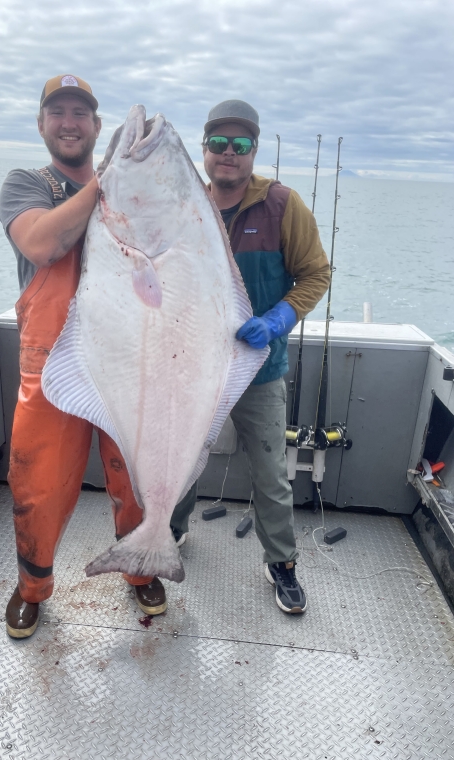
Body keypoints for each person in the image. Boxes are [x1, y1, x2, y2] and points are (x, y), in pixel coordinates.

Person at [0, 75, 168, 638]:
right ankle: (32, 589)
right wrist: (108, 184)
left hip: (124, 357)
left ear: (97, 127)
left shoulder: (126, 189)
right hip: (50, 364)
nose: (69, 122)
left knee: (134, 477)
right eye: (58, 112)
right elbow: (44, 244)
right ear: (42, 123)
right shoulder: (27, 184)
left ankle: (142, 565)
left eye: (81, 113)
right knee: (38, 483)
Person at [176, 99, 331, 614]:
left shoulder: (283, 205)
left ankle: (281, 563)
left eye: (239, 145)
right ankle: (167, 534)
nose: (227, 154)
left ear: (254, 152)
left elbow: (316, 274)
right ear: (204, 149)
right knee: (178, 460)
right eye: (218, 143)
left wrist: (280, 320)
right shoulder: (185, 205)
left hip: (259, 368)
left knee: (271, 473)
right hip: (193, 368)